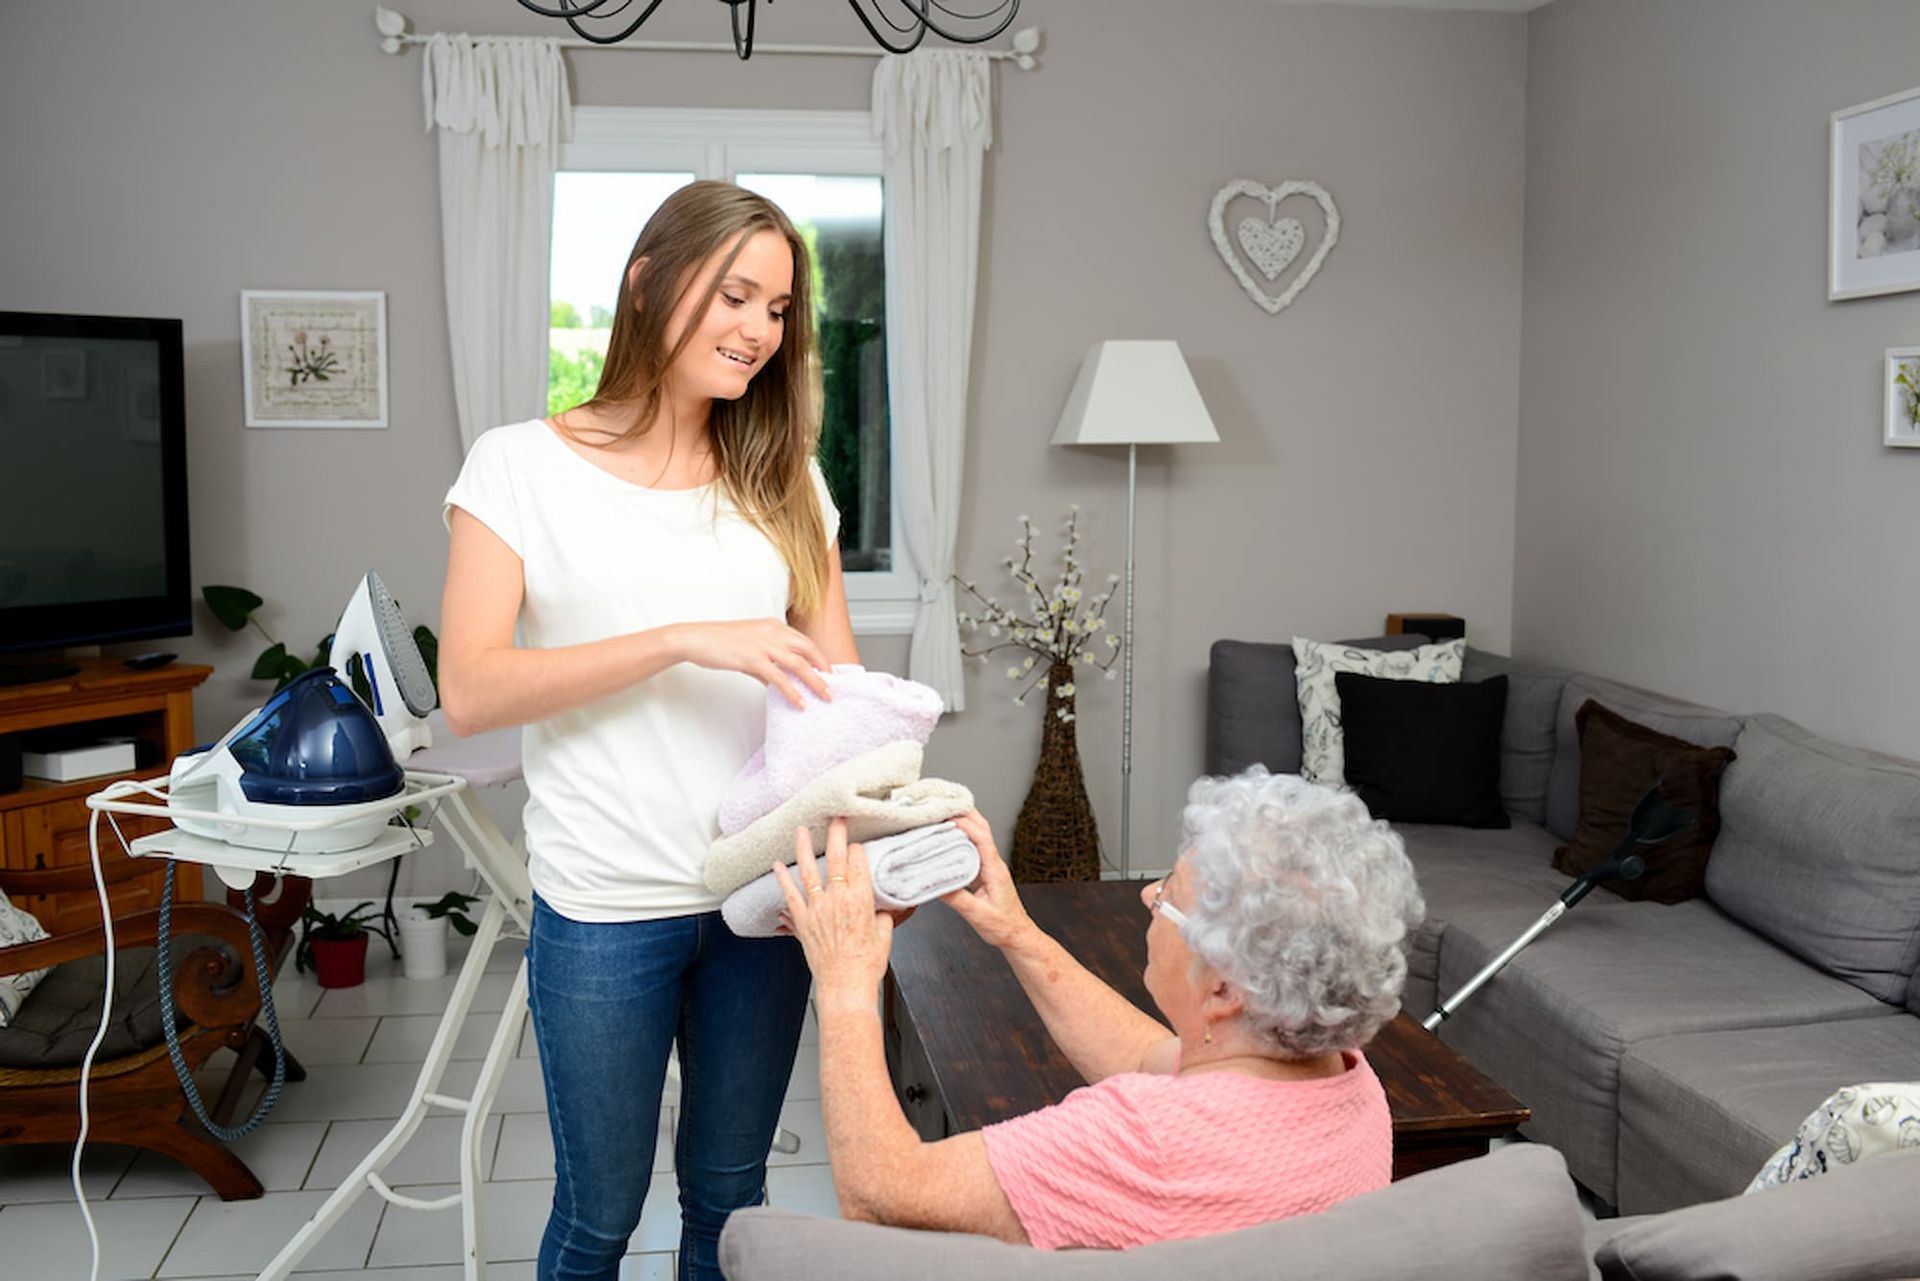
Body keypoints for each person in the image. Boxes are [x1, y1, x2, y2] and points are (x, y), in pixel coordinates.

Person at [438, 179, 858, 1281]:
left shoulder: (787, 483)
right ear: (646, 284)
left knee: (731, 1202)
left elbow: (844, 695)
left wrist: (892, 828)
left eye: (778, 308)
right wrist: (681, 638)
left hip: (761, 901)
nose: (760, 331)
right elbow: (472, 691)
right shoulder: (518, 465)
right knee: (599, 1215)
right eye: (735, 295)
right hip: (606, 907)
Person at [775, 767, 1427, 1251]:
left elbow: (885, 1192)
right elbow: (1148, 1058)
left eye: (1169, 894)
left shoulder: (1146, 1141)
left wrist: (843, 982)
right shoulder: (1348, 1076)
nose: (1149, 896)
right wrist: (1018, 933)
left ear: (1225, 990)